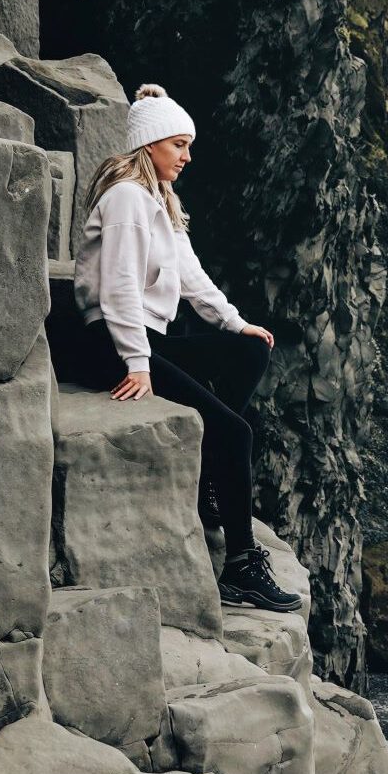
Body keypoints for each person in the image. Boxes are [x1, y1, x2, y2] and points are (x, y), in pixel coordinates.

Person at [73, 84, 302, 615]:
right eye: (179, 144)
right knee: (235, 430)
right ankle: (243, 566)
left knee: (249, 353)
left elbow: (191, 276)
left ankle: (211, 478)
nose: (188, 156)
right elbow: (120, 287)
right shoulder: (128, 198)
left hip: (147, 337)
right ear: (151, 144)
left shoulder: (160, 200)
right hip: (107, 339)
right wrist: (137, 363)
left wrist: (235, 323)